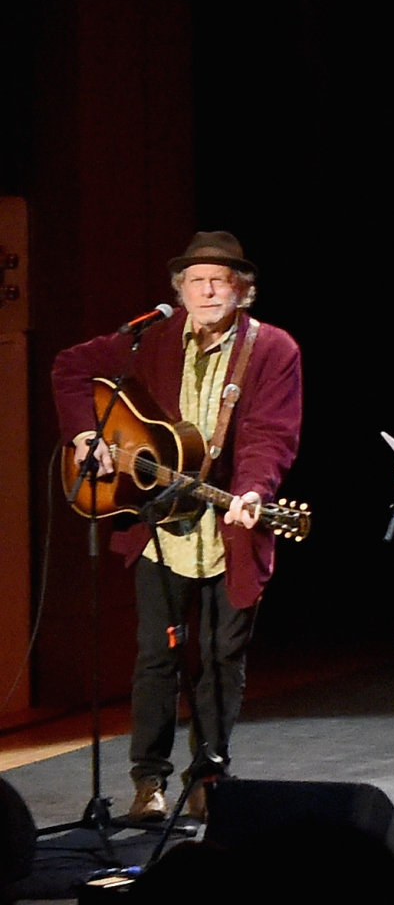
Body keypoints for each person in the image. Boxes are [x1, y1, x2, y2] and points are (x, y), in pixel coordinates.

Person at [51, 230, 304, 821]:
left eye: (221, 280)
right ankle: (148, 782)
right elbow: (69, 367)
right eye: (197, 280)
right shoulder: (151, 340)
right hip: (157, 527)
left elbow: (271, 434)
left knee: (221, 655)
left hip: (230, 527)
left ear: (243, 291)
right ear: (179, 290)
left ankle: (208, 774)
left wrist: (254, 491)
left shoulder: (272, 350)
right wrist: (86, 434)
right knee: (155, 658)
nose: (209, 289)